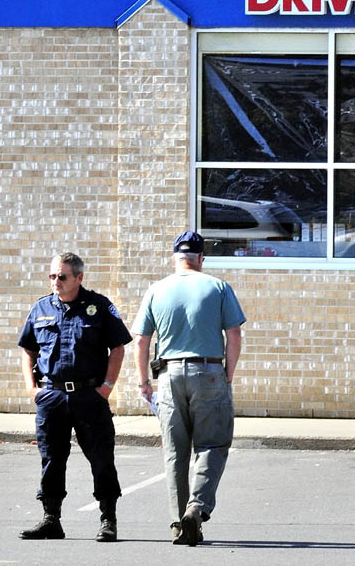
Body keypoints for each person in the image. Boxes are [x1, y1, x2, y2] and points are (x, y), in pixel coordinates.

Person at [132, 230, 246, 547]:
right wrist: (228, 374)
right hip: (208, 370)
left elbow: (141, 340)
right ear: (201, 259)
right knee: (212, 445)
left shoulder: (157, 290)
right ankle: (196, 507)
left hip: (168, 375)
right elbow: (234, 335)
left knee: (175, 453)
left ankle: (177, 523)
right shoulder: (218, 287)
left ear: (175, 259)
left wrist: (144, 381)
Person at [17, 252, 132, 542]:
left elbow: (117, 348)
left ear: (79, 278)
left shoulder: (99, 306)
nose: (56, 281)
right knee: (52, 459)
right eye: (52, 276)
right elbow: (27, 350)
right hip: (52, 396)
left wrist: (106, 387)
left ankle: (108, 519)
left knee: (101, 458)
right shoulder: (42, 308)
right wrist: (32, 389)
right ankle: (51, 519)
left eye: (63, 276)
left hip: (88, 396)